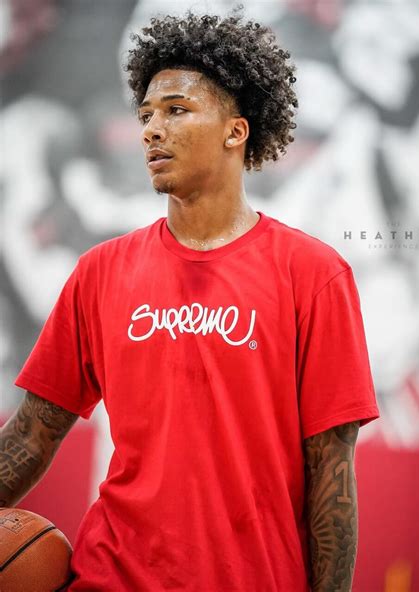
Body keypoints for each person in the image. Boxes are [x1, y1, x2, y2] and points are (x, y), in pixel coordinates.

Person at [0, 10, 380, 591]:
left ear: (236, 130)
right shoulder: (100, 272)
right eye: (146, 115)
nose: (152, 129)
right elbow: (31, 435)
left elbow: (332, 474)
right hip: (111, 578)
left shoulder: (313, 274)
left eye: (176, 110)